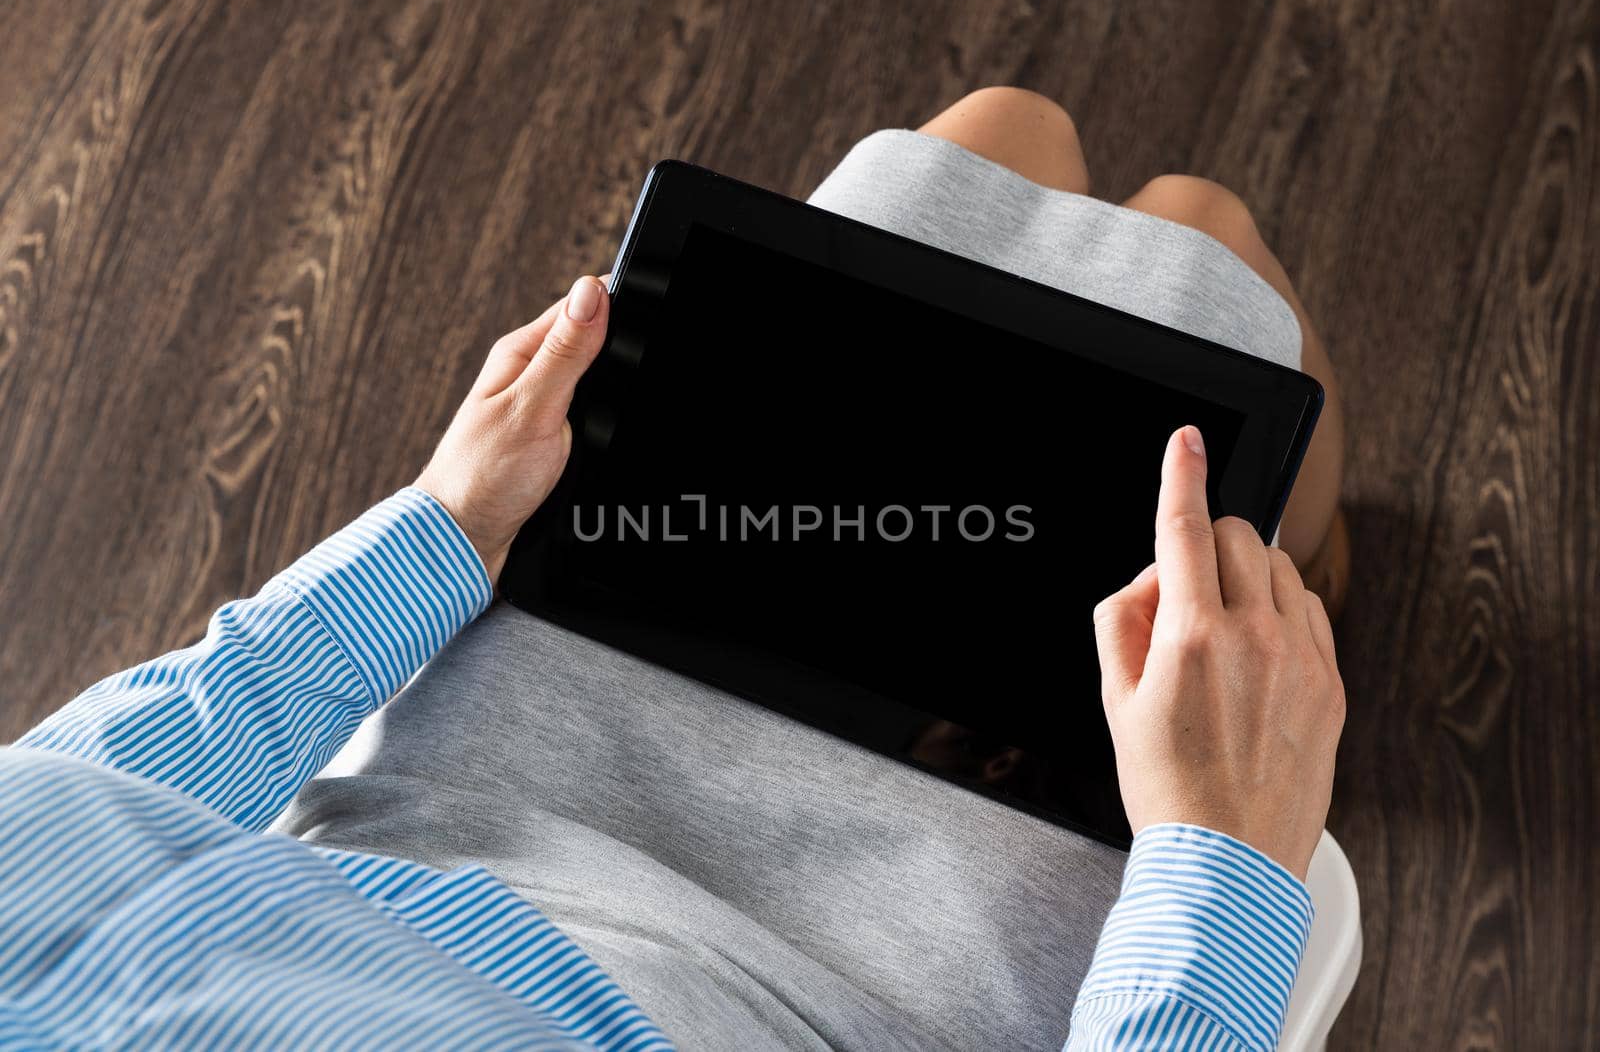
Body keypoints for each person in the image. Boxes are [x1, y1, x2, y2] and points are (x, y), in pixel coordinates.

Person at [0, 88, 1346, 1050]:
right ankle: (1316, 564)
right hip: (868, 985)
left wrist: (445, 530)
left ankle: (1295, 548)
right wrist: (1214, 857)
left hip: (457, 807)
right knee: (1207, 239)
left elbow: (92, 795)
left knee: (987, 134)